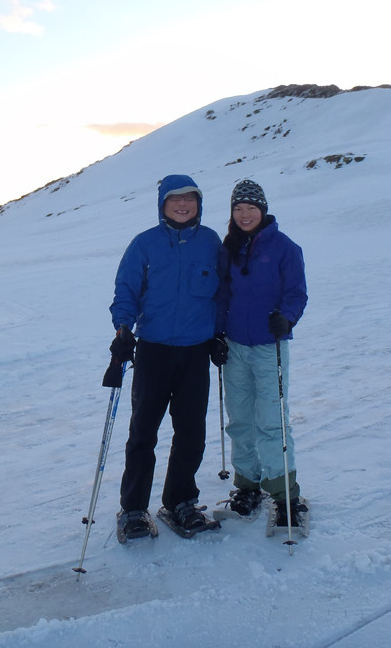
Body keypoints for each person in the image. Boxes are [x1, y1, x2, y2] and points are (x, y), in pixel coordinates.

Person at [107, 174, 222, 540]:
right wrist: (123, 329)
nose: (183, 205)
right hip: (154, 350)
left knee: (192, 432)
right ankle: (134, 509)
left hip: (195, 352)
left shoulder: (210, 242)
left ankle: (180, 502)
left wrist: (220, 332)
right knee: (143, 432)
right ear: (163, 205)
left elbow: (222, 292)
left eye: (190, 199)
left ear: (199, 204)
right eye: (175, 200)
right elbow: (126, 289)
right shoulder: (145, 244)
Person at [214, 179, 308, 527]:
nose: (244, 214)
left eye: (251, 208)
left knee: (271, 421)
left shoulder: (285, 248)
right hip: (236, 346)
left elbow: (297, 293)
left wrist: (287, 317)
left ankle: (285, 494)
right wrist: (217, 335)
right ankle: (248, 485)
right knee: (239, 420)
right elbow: (223, 296)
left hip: (271, 347)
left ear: (263, 210)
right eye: (238, 209)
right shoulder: (230, 248)